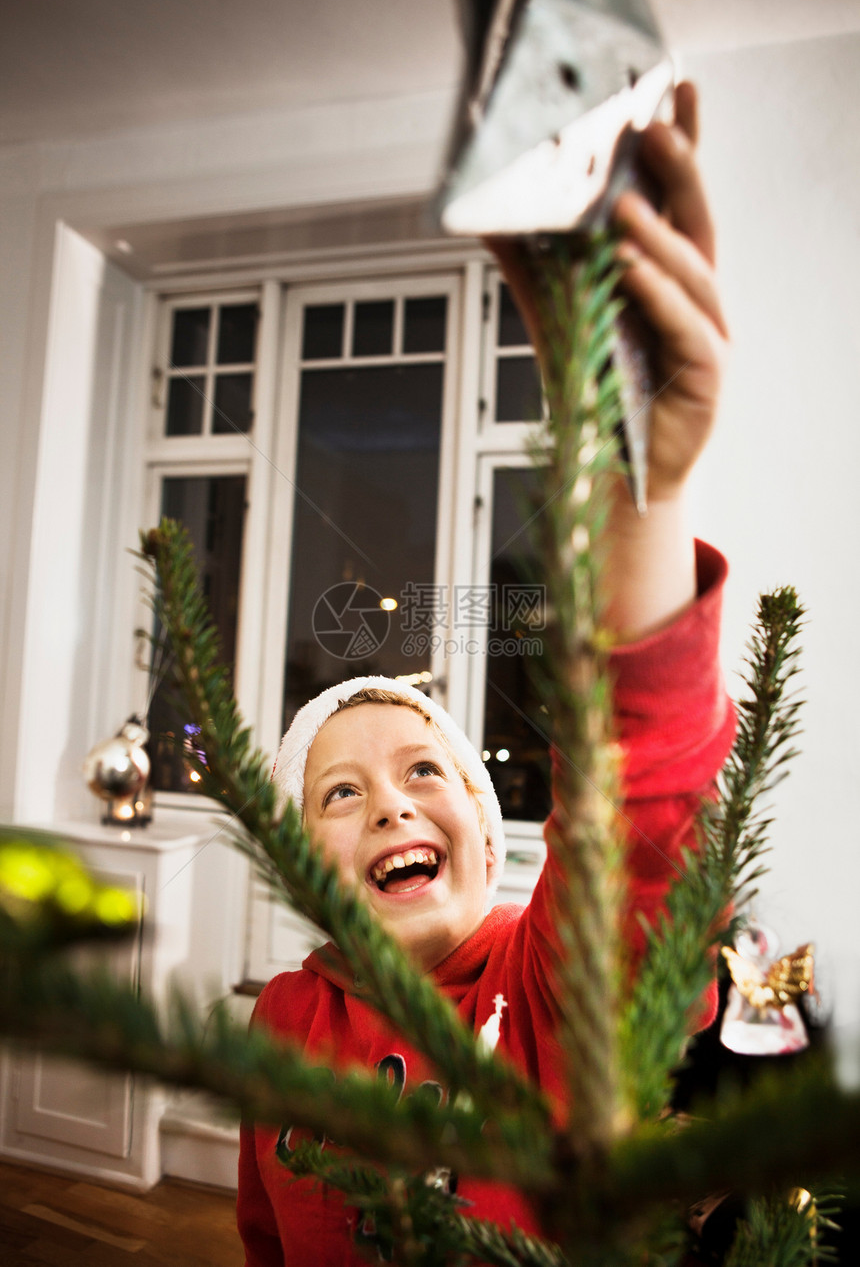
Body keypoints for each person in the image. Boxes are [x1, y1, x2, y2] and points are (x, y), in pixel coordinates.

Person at [237, 81, 735, 1265]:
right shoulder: (284, 1019)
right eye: (340, 793)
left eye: (422, 768)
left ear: (480, 813)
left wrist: (631, 489)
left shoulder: (551, 986)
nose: (394, 800)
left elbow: (640, 810)